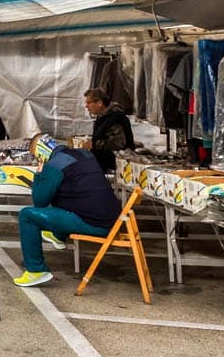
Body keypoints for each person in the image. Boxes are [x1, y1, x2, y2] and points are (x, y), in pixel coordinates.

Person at [14, 134, 122, 288]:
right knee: (65, 195)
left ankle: (36, 270)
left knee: (28, 216)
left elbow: (39, 201)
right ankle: (58, 236)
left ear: (41, 153)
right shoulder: (85, 154)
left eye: (36, 156)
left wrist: (39, 174)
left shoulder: (54, 165)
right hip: (113, 218)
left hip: (93, 223)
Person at [84, 88, 135, 174]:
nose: (86, 106)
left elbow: (119, 143)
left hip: (115, 167)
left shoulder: (114, 118)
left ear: (99, 103)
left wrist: (94, 144)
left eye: (89, 103)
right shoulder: (104, 117)